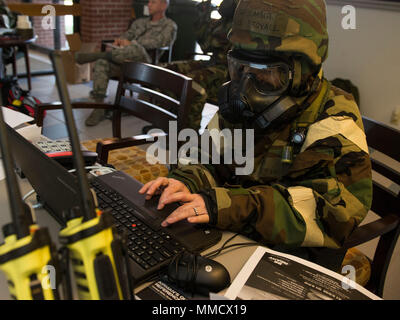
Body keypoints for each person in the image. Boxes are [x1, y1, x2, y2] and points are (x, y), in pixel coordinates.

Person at [139, 0, 373, 272]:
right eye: (241, 68)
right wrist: (186, 182)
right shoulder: (243, 100)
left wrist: (229, 206)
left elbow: (333, 213)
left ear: (304, 69)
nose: (249, 84)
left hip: (299, 258)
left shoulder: (333, 117)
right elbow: (206, 156)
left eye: (268, 72)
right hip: (236, 235)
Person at [75, 0, 177, 126]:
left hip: (147, 66)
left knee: (135, 48)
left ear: (164, 5)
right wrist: (120, 41)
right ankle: (99, 107)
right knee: (102, 63)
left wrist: (132, 44)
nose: (149, 4)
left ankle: (98, 55)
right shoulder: (140, 22)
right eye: (149, 2)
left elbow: (160, 43)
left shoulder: (169, 26)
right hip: (126, 62)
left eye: (153, 2)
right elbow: (125, 36)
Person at [156, 0, 236, 131]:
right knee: (165, 71)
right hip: (212, 62)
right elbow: (205, 46)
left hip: (228, 70)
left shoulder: (241, 25)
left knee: (191, 83)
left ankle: (188, 133)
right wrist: (203, 16)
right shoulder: (219, 23)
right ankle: (168, 123)